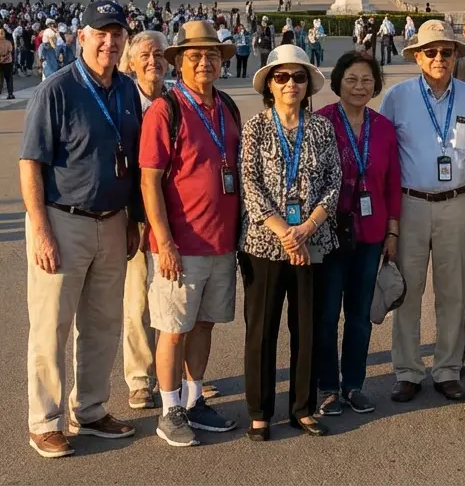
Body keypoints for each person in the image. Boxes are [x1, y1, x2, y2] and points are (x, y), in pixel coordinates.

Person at [18, 1, 144, 458]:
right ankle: (45, 420)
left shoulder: (127, 90)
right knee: (51, 324)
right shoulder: (57, 89)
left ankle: (90, 410)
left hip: (112, 222)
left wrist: (134, 218)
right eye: (100, 33)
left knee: (103, 323)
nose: (109, 42)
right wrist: (42, 231)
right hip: (62, 219)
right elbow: (31, 165)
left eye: (116, 34)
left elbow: (132, 159)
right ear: (81, 38)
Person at [138, 22, 241, 446]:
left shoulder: (228, 106)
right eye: (195, 55)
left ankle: (195, 398)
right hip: (181, 244)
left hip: (221, 241)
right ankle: (169, 409)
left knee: (204, 326)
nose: (205, 62)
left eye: (212, 55)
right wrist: (164, 242)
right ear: (178, 62)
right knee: (172, 328)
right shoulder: (167, 110)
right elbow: (149, 181)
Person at [379, 20, 465, 404]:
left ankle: (447, 368)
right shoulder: (398, 97)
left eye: (446, 51)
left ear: (457, 55)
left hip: (457, 203)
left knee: (453, 291)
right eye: (431, 52)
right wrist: (389, 223)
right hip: (411, 204)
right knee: (407, 291)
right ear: (417, 57)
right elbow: (385, 160)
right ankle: (408, 370)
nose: (439, 58)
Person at [239, 44, 341, 440]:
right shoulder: (256, 128)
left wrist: (307, 228)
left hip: (312, 240)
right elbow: (250, 184)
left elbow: (333, 182)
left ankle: (302, 406)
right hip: (265, 243)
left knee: (308, 327)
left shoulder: (321, 128)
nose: (291, 83)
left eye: (299, 77)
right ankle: (259, 410)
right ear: (269, 84)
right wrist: (286, 231)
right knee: (262, 329)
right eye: (281, 76)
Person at [314, 51, 401, 417]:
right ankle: (327, 387)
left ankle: (354, 384)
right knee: (327, 312)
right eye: (351, 79)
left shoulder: (382, 127)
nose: (359, 86)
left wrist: (393, 231)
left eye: (367, 80)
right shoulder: (322, 122)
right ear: (338, 83)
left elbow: (393, 182)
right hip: (331, 233)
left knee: (360, 314)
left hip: (371, 234)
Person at [118, 31, 169, 411]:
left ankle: (181, 373)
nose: (154, 61)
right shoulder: (121, 100)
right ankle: (140, 378)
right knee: (138, 300)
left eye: (160, 54)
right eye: (145, 56)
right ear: (131, 63)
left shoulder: (178, 99)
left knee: (176, 295)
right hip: (135, 213)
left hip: (174, 213)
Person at [0, 28, 16, 100]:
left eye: (2, 32)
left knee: (9, 79)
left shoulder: (8, 42)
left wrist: (3, 58)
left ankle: (10, 93)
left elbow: (10, 52)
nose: (1, 33)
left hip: (7, 62)